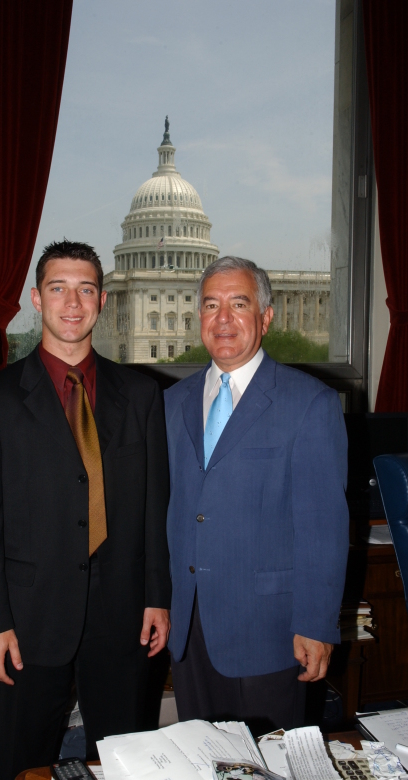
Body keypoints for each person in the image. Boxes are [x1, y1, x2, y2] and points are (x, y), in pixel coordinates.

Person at [0, 240, 171, 780]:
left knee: (128, 767)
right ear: (35, 299)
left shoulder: (144, 395)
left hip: (123, 615)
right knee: (24, 769)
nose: (72, 303)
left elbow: (154, 507)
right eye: (58, 288)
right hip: (27, 621)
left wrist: (157, 597)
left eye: (84, 290)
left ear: (102, 302)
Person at [164, 256, 348, 733]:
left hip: (271, 630)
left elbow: (322, 527)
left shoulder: (310, 403)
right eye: (210, 305)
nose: (223, 319)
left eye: (239, 304)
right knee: (201, 764)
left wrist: (317, 622)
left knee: (271, 773)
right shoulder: (169, 404)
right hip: (190, 626)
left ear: (265, 318)